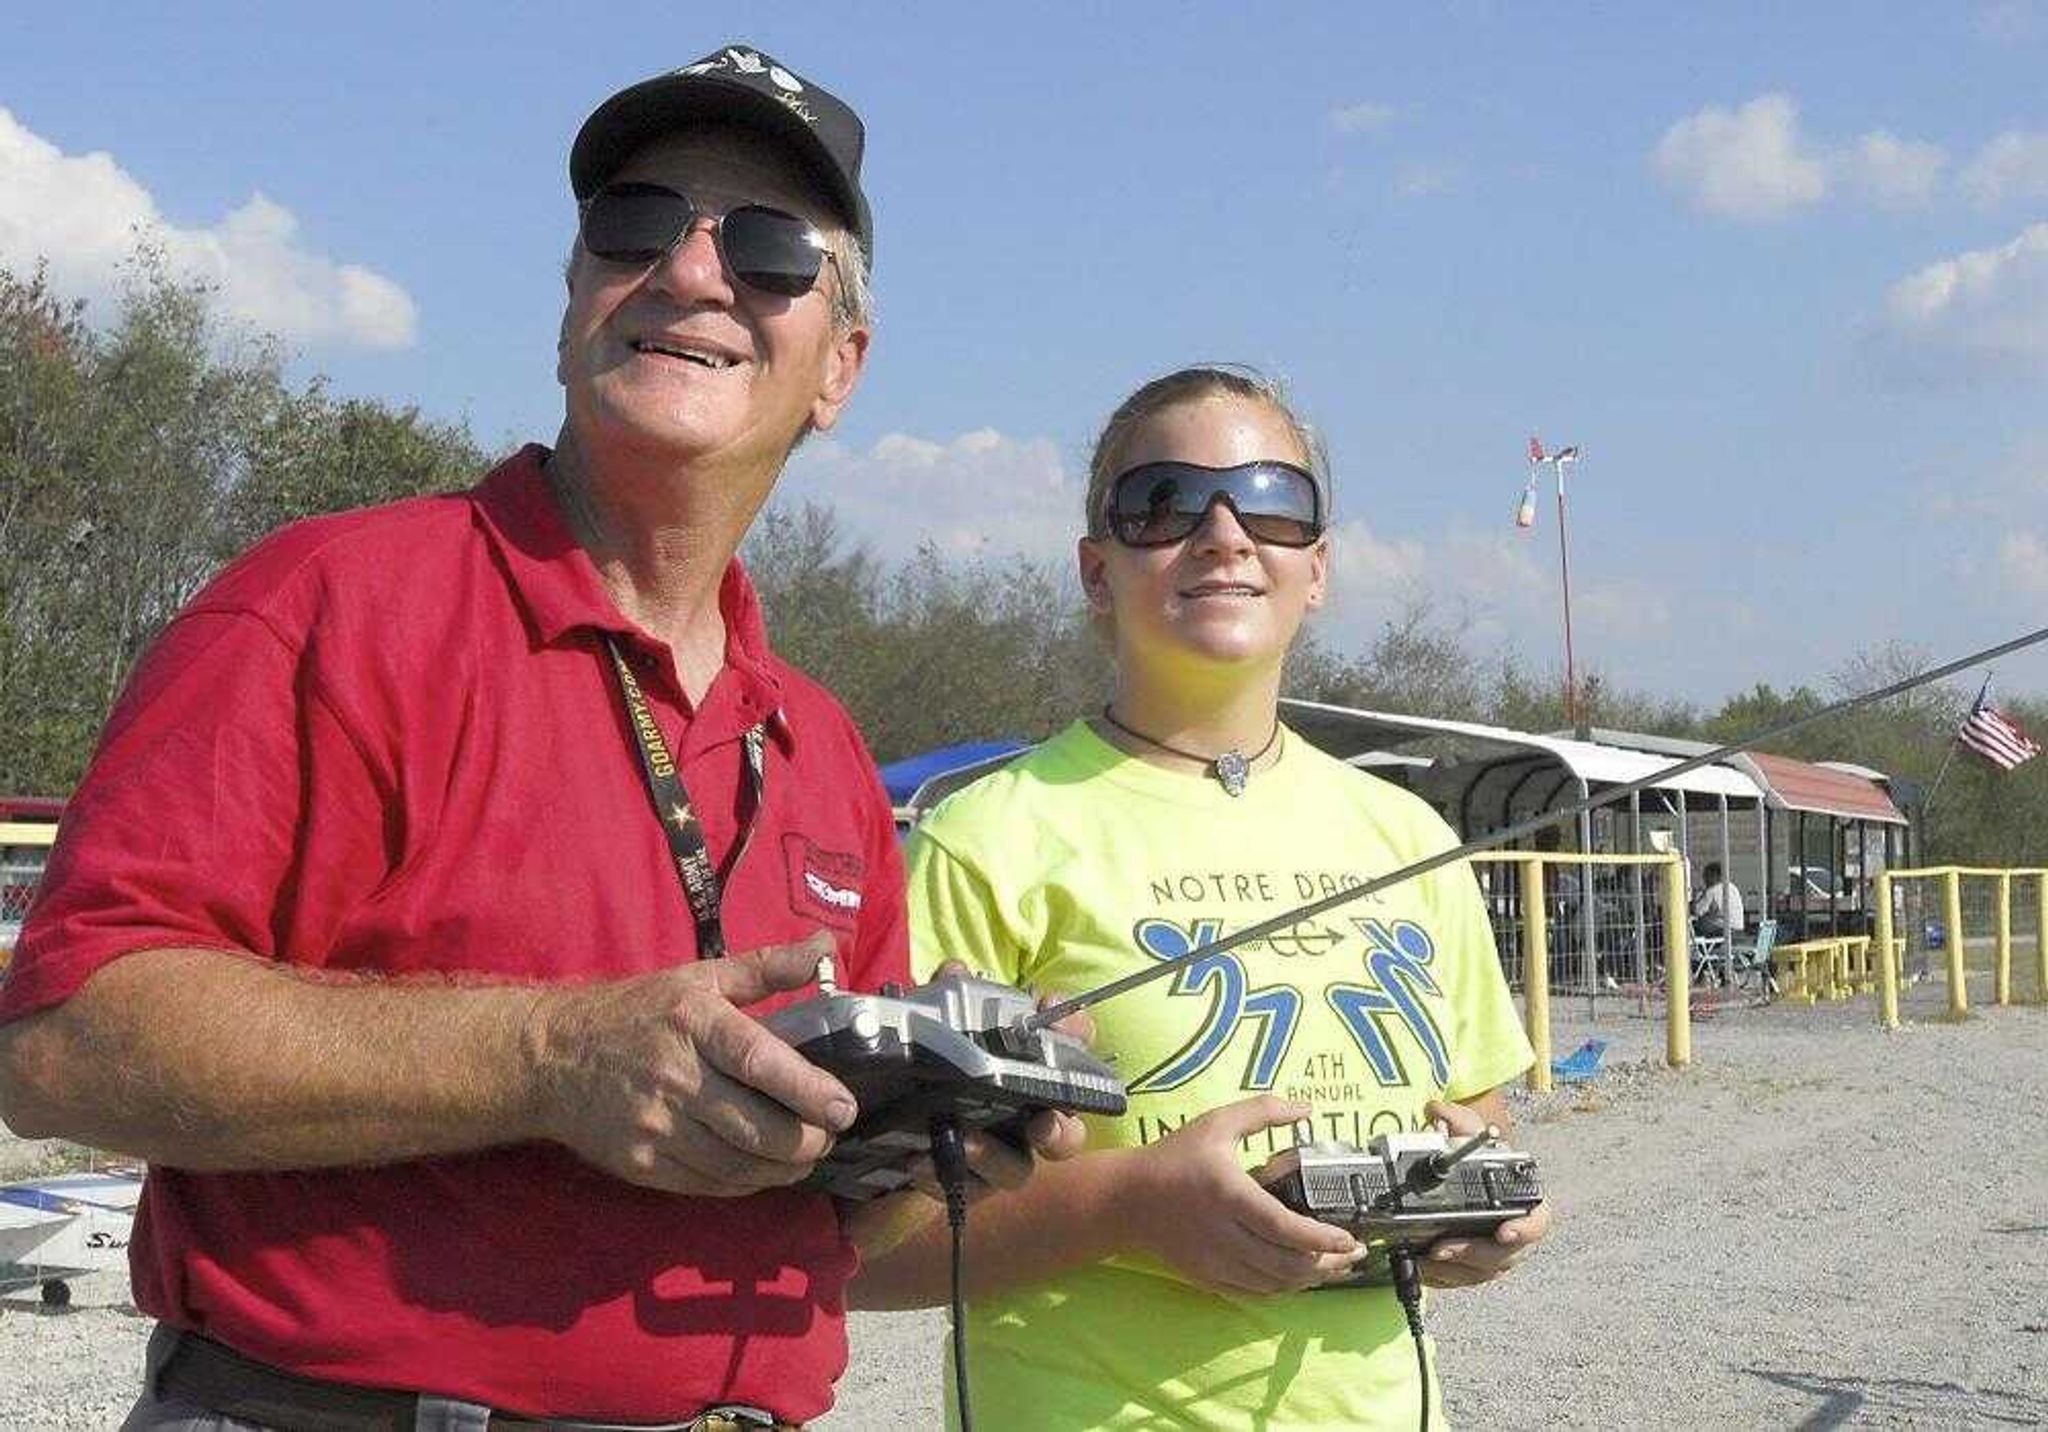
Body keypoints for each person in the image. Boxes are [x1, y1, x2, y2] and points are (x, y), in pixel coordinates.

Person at [0, 45, 1077, 1430]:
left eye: (767, 249)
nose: (693, 274)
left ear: (840, 367)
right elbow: (63, 1041)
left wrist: (926, 1151)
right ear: (574, 306)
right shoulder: (324, 606)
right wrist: (553, 1059)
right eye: (635, 225)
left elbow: (831, 1237)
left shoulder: (819, 746)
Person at [851, 366, 1552, 1428]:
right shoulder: (985, 837)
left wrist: (1476, 1211)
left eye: (1270, 500)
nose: (1224, 533)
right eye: (1164, 502)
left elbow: (1476, 1119)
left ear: (1314, 568)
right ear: (1097, 570)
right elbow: (861, 1250)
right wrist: (1128, 1209)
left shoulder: (1406, 835)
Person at [1692, 861, 1745, 939]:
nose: (1704, 880)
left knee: (1694, 927)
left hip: (1723, 930)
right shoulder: (1732, 887)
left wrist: (1695, 897)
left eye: (1706, 876)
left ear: (1714, 875)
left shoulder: (1712, 890)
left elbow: (1698, 911)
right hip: (1738, 929)